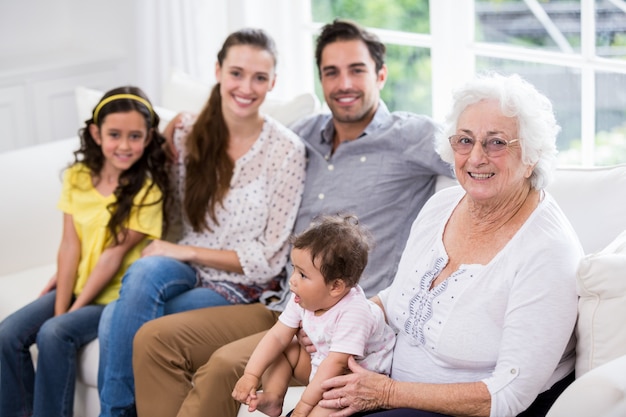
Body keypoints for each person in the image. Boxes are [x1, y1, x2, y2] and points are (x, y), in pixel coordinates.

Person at [132, 18, 453, 417]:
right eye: (331, 73)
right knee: (155, 339)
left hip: (341, 322)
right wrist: (182, 125)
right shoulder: (303, 134)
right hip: (283, 303)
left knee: (224, 368)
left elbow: (478, 161)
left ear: (381, 74)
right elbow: (245, 137)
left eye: (357, 70)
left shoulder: (412, 137)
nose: (344, 84)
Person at [315, 72, 583, 417]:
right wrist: (340, 322)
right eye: (465, 140)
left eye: (497, 142)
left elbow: (508, 395)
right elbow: (399, 297)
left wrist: (387, 392)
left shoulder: (548, 253)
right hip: (388, 389)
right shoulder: (442, 205)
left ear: (531, 156)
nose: (476, 158)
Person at [97, 28, 306, 417]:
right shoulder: (189, 132)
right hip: (184, 267)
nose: (246, 86)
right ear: (218, 71)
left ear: (273, 82)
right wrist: (163, 138)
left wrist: (184, 250)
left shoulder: (286, 151)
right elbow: (170, 212)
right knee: (143, 271)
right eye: (237, 73)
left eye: (259, 77)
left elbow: (269, 261)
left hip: (240, 285)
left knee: (113, 315)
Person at [0, 86, 168, 417]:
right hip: (78, 284)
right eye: (114, 134)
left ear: (148, 138)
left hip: (113, 298)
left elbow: (111, 258)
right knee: (7, 334)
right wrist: (62, 301)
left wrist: (69, 311)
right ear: (95, 133)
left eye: (135, 136)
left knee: (55, 332)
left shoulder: (148, 190)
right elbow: (69, 246)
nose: (124, 145)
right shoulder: (78, 176)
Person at [232, 214, 395, 417]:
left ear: (336, 286)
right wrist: (251, 375)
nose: (292, 280)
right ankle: (274, 398)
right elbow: (277, 336)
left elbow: (336, 364)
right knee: (284, 347)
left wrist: (303, 407)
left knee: (319, 411)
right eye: (294, 269)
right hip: (324, 366)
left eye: (302, 275)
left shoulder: (355, 313)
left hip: (352, 381)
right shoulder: (304, 298)